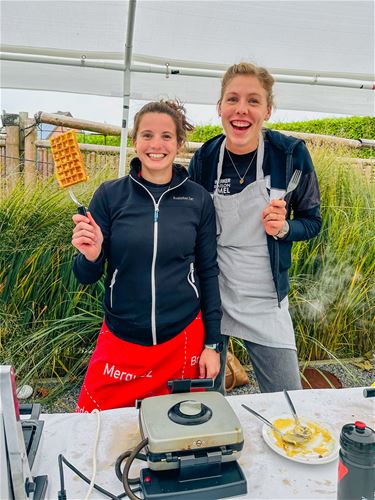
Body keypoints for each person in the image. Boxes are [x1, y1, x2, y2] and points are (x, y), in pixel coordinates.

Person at [72, 100, 222, 412]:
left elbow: (208, 273)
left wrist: (212, 345)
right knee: (93, 427)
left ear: (179, 143)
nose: (156, 145)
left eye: (167, 136)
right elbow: (85, 276)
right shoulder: (109, 195)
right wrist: (92, 254)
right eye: (147, 135)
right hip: (121, 339)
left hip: (181, 339)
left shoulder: (197, 199)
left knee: (178, 438)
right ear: (135, 140)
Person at [189, 62, 322, 393]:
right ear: (220, 106)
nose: (241, 110)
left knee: (288, 399)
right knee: (205, 401)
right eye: (232, 99)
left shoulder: (289, 156)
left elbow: (313, 221)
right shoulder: (205, 158)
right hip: (213, 294)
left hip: (266, 299)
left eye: (253, 100)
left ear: (268, 110)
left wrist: (284, 229)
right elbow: (190, 225)